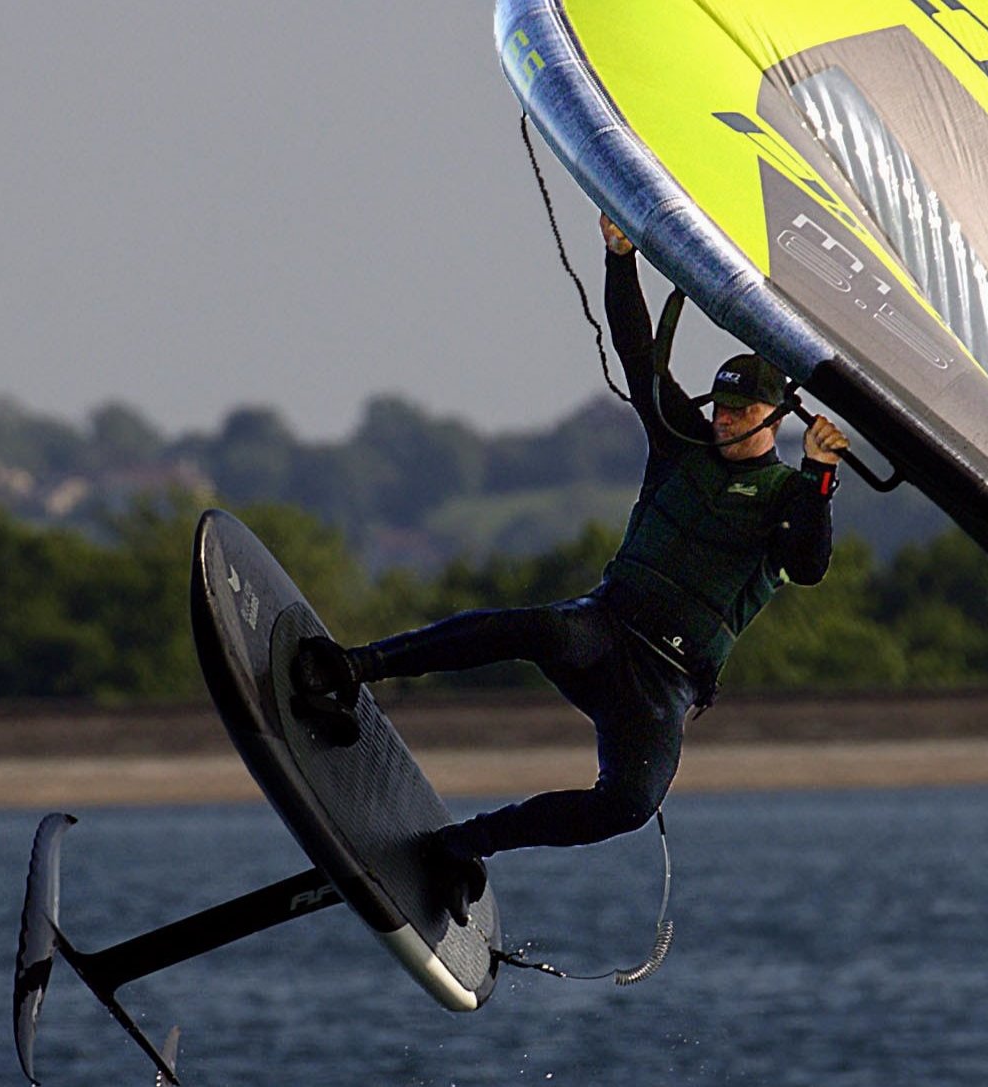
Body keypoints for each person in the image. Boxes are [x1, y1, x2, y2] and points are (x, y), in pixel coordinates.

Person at [291, 213, 849, 922]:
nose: (726, 418)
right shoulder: (681, 441)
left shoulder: (792, 494)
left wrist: (822, 474)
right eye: (723, 405)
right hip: (606, 628)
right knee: (538, 629)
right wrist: (620, 260)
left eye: (743, 410)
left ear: (776, 417)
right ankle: (354, 668)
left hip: (665, 683)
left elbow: (808, 564)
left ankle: (463, 846)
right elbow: (638, 354)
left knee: (629, 804)